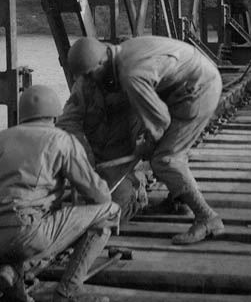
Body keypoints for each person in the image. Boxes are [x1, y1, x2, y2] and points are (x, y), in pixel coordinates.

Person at [66, 36, 224, 245]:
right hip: (186, 84)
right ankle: (177, 200)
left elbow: (160, 120)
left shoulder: (130, 75)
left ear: (102, 63)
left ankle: (207, 218)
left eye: (89, 74)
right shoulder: (119, 56)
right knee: (165, 151)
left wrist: (148, 145)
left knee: (166, 159)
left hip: (198, 90)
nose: (88, 80)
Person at [0, 85, 119, 302]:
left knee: (12, 239)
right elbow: (100, 195)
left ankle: (10, 277)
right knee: (109, 211)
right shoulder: (61, 139)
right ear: (54, 115)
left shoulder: (2, 137)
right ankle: (68, 290)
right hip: (28, 232)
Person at [56, 75, 150, 225]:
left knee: (115, 211)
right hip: (94, 163)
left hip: (126, 168)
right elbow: (67, 122)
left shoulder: (138, 80)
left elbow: (158, 126)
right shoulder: (84, 85)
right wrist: (86, 160)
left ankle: (137, 196)